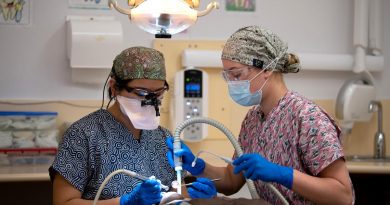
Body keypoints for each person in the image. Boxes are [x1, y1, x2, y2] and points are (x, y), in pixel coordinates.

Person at [166, 25, 355, 205]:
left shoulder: (308, 118)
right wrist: (198, 167)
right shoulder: (252, 120)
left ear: (267, 69)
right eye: (227, 76)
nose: (231, 83)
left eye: (237, 74)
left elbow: (343, 196)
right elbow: (233, 180)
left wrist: (283, 174)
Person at [50, 46, 177, 205]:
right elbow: (63, 202)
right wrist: (124, 202)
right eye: (141, 93)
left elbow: (174, 189)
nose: (150, 101)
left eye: (158, 93)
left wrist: (193, 193)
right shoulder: (83, 136)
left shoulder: (164, 137)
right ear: (114, 87)